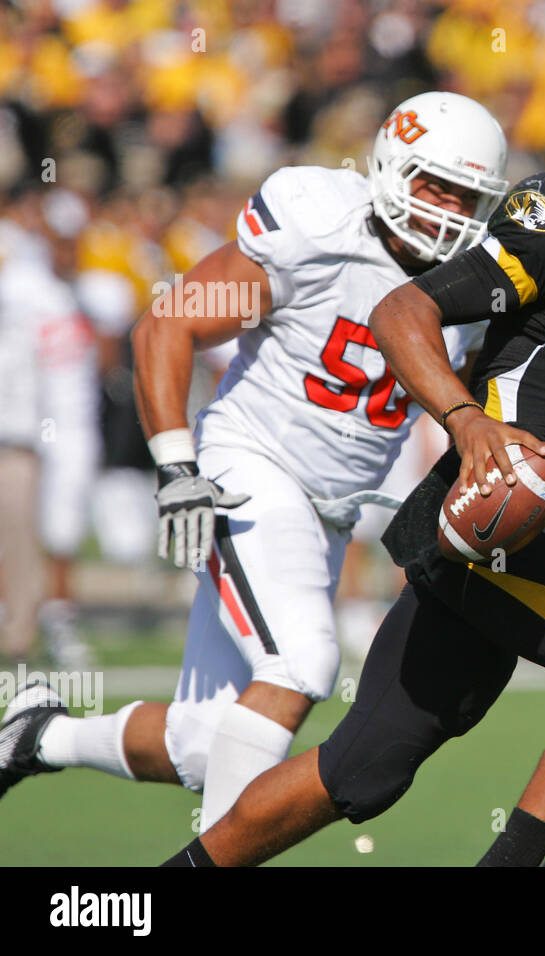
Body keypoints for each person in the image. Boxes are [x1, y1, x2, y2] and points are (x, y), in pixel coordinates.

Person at [155, 51, 545, 868]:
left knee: (361, 771)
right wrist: (466, 423)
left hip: (539, 522)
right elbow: (404, 309)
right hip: (490, 508)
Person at [0, 92, 509, 830]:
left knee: (201, 744)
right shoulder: (321, 226)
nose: (450, 212)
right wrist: (177, 466)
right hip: (253, 467)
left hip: (329, 511)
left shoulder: (474, 279)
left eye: (470, 197)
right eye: (437, 186)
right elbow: (168, 326)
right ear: (393, 169)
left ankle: (36, 735)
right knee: (302, 666)